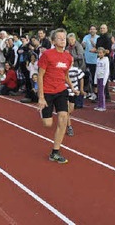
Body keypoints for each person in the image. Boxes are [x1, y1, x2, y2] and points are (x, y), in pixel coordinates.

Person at [37, 28, 79, 164]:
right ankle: (43, 111)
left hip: (61, 91)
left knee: (63, 119)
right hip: (48, 92)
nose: (63, 39)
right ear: (53, 41)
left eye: (64, 37)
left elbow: (65, 75)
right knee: (47, 124)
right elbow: (40, 76)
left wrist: (72, 88)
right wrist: (41, 97)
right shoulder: (47, 55)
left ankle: (55, 152)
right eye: (59, 38)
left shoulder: (68, 57)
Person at [66, 60, 85, 135]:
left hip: (74, 92)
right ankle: (69, 127)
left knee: (71, 109)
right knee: (66, 110)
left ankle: (64, 117)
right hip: (65, 91)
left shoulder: (76, 70)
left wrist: (81, 89)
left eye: (72, 61)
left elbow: (81, 78)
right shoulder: (64, 70)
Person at [94, 47, 110, 111]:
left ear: (104, 53)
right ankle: (99, 105)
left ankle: (103, 106)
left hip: (103, 77)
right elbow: (96, 69)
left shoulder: (106, 59)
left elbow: (107, 70)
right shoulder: (97, 59)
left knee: (101, 92)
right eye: (98, 53)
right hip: (98, 77)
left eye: (101, 53)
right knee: (98, 92)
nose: (99, 54)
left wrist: (104, 81)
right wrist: (95, 80)